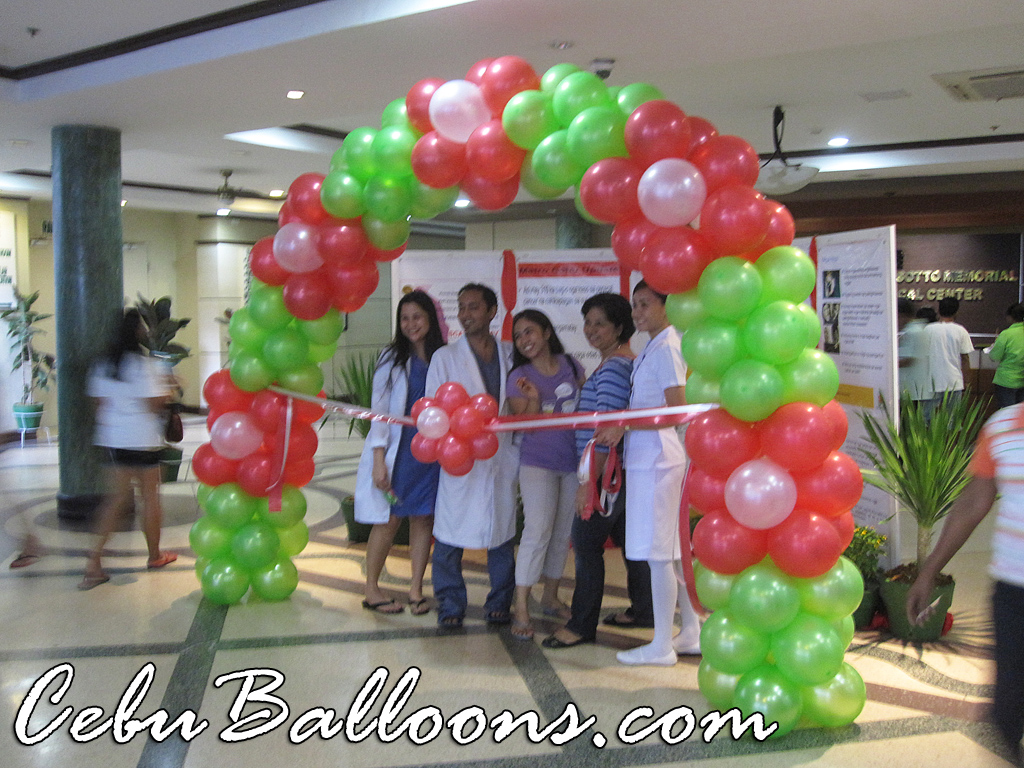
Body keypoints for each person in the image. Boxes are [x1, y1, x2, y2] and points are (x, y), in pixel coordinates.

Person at [907, 402, 1024, 766]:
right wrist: (928, 571)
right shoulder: (1004, 424)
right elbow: (974, 500)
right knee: (1007, 709)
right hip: (1013, 590)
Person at [594, 281, 701, 666]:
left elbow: (677, 411)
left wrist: (625, 426)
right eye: (634, 305)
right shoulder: (653, 346)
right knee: (670, 554)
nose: (637, 312)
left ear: (668, 305)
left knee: (659, 554)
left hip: (658, 458)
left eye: (644, 305)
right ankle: (691, 631)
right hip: (649, 457)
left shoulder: (669, 345)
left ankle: (660, 644)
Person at [543, 292, 654, 650]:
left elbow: (606, 435)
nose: (591, 330)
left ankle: (581, 624)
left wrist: (587, 485)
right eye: (588, 322)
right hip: (620, 476)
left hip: (606, 476)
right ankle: (643, 610)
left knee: (587, 545)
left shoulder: (613, 371)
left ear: (620, 328)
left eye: (600, 324)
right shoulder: (621, 365)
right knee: (629, 541)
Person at [425, 283, 520, 630]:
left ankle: (500, 601)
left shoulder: (511, 353)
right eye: (462, 307)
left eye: (474, 307)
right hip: (460, 458)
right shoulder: (445, 357)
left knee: (502, 531)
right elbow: (432, 413)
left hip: (501, 457)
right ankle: (450, 602)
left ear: (492, 311)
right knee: (450, 533)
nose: (466, 315)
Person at [355, 290, 444, 615]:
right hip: (398, 455)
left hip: (430, 456)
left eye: (417, 317)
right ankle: (372, 590)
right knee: (389, 520)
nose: (411, 324)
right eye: (405, 318)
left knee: (423, 519)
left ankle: (416, 590)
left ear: (430, 319)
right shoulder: (391, 359)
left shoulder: (442, 356)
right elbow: (379, 412)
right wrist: (379, 459)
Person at [80, 308, 178, 590]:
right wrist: (169, 388)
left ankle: (93, 564)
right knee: (150, 497)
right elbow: (153, 405)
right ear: (139, 333)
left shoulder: (102, 364)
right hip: (143, 440)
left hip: (114, 441)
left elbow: (99, 404)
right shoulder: (143, 366)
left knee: (114, 501)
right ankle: (155, 555)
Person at [505, 309, 583, 640]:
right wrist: (534, 399)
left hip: (572, 461)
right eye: (519, 335)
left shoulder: (572, 365)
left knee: (562, 532)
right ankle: (521, 605)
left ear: (547, 332)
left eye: (530, 331)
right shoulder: (519, 376)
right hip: (537, 461)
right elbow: (524, 424)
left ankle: (550, 596)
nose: (525, 340)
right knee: (537, 530)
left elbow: (585, 405)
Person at [925, 296, 973, 416]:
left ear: (939, 310)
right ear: (956, 312)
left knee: (927, 420)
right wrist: (967, 381)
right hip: (954, 381)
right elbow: (965, 358)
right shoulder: (961, 330)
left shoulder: (928, 329)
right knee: (952, 420)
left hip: (931, 381)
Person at [988, 302, 1024, 409]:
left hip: (1006, 380)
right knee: (1019, 417)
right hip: (1022, 380)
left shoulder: (1006, 334)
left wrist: (994, 346)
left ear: (1010, 317)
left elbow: (995, 356)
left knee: (1006, 415)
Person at [897, 297, 931, 406]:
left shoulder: (912, 331)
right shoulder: (917, 328)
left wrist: (886, 365)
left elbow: (908, 360)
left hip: (912, 390)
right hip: (914, 390)